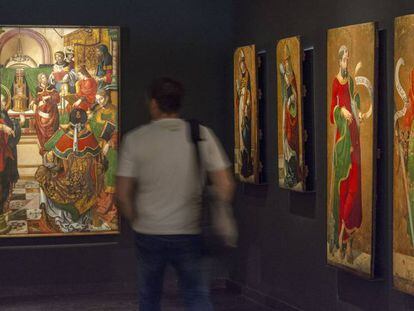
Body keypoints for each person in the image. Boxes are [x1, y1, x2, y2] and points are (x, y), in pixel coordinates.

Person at [117, 77, 236, 311]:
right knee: (196, 296)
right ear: (179, 103)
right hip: (188, 231)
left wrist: (136, 219)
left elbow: (122, 194)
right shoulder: (201, 134)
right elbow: (226, 186)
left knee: (149, 298)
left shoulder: (136, 139)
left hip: (148, 232)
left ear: (153, 104)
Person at [36, 108, 104, 232]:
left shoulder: (66, 137)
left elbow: (52, 162)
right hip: (87, 188)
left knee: (43, 173)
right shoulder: (90, 137)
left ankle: (61, 219)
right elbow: (102, 162)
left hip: (67, 186)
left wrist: (47, 156)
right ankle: (82, 220)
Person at [330, 45, 367, 263]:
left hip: (355, 141)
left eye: (348, 58)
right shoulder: (336, 82)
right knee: (343, 190)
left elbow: (355, 102)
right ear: (339, 61)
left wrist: (358, 111)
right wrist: (340, 110)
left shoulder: (351, 81)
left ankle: (347, 237)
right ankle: (343, 242)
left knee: (354, 191)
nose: (346, 62)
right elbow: (331, 116)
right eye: (344, 59)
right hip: (342, 146)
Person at [88, 89, 118, 228]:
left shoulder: (115, 111)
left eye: (101, 98)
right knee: (99, 174)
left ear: (107, 97)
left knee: (110, 175)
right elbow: (92, 127)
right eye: (97, 99)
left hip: (112, 149)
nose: (99, 101)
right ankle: (101, 207)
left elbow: (117, 130)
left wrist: (109, 144)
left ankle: (111, 209)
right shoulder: (97, 112)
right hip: (98, 147)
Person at [279, 44, 302, 188]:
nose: (286, 64)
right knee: (284, 139)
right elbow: (285, 92)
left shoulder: (291, 77)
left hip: (291, 113)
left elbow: (295, 95)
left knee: (290, 139)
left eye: (288, 61)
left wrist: (290, 101)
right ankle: (288, 174)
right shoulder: (286, 76)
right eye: (285, 61)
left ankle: (293, 174)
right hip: (285, 110)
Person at [0, 94, 20, 218]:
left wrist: (18, 125)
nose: (3, 103)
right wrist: (2, 127)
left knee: (5, 180)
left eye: (3, 100)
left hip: (5, 154)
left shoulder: (3, 113)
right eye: (1, 101)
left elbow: (11, 129)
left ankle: (2, 208)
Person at [235, 49, 253, 178]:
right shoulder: (241, 79)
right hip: (241, 105)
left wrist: (246, 105)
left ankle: (247, 163)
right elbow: (240, 94)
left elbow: (248, 94)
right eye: (240, 66)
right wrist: (238, 89)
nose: (242, 67)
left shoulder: (247, 79)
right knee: (241, 137)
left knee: (246, 134)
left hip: (245, 108)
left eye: (243, 65)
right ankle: (243, 164)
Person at [32, 72, 60, 156]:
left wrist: (49, 97)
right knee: (42, 132)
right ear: (40, 79)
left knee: (51, 131)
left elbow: (57, 98)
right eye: (43, 78)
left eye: (45, 77)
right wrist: (35, 101)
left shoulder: (52, 87)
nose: (45, 79)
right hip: (41, 113)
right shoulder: (38, 88)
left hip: (51, 113)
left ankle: (51, 147)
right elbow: (37, 99)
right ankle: (44, 147)